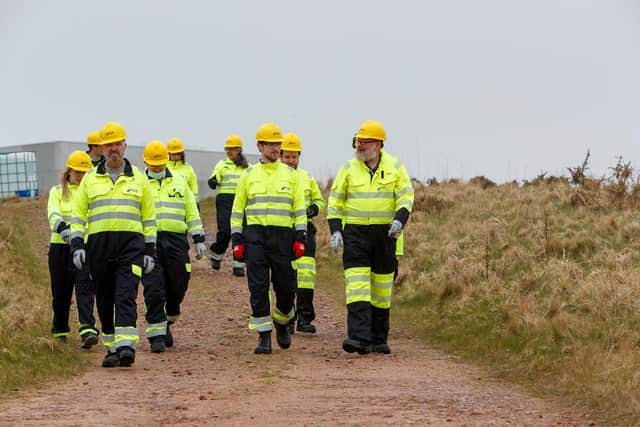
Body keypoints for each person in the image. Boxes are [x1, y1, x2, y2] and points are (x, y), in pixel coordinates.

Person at [70, 121, 156, 368]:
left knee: (126, 294)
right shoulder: (89, 181)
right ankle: (111, 347)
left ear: (125, 146)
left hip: (131, 246)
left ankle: (127, 345)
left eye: (117, 143)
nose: (113, 149)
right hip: (98, 247)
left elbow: (149, 218)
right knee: (105, 298)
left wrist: (150, 250)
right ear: (102, 149)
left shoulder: (140, 180)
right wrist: (77, 244)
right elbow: (78, 215)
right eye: (109, 145)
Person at [327, 120, 414, 355]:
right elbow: (335, 201)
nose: (360, 145)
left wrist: (400, 219)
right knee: (357, 287)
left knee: (382, 288)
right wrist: (335, 230)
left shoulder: (395, 167)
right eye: (359, 141)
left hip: (385, 235)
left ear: (378, 144)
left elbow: (406, 196)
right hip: (355, 233)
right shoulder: (348, 168)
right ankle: (358, 338)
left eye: (365, 141)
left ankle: (378, 338)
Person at [230, 123, 306, 354]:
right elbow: (237, 210)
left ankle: (283, 321)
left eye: (278, 144)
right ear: (260, 146)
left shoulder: (291, 175)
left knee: (286, 288)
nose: (275, 148)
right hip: (255, 237)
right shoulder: (248, 175)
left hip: (283, 237)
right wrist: (237, 239)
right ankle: (263, 337)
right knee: (258, 287)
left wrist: (300, 236)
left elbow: (299, 208)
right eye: (271, 144)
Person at [142, 140, 207, 352]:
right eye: (153, 164)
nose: (157, 168)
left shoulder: (179, 182)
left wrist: (198, 238)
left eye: (160, 163)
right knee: (153, 287)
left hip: (177, 241)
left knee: (179, 283)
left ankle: (168, 319)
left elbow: (191, 211)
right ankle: (156, 335)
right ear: (146, 162)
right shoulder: (139, 184)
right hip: (149, 243)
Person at [47, 150, 99, 348]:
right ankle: (59, 330)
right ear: (68, 172)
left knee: (85, 288)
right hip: (60, 248)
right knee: (61, 291)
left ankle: (87, 329)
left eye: (85, 172)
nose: (81, 176)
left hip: (84, 247)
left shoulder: (91, 193)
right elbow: (53, 213)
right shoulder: (57, 191)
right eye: (78, 172)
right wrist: (64, 230)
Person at [280, 132, 325, 334]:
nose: (291, 160)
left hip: (305, 230)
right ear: (280, 156)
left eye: (294, 156)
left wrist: (312, 210)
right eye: (287, 156)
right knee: (285, 277)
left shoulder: (306, 178)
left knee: (306, 276)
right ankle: (285, 318)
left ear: (299, 156)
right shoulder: (274, 177)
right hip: (282, 231)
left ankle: (304, 319)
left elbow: (319, 201)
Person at [207, 134, 250, 276]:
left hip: (242, 201)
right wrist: (213, 181)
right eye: (227, 149)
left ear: (239, 150)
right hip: (224, 200)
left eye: (232, 149)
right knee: (225, 231)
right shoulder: (221, 165)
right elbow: (214, 177)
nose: (229, 152)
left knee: (240, 232)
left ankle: (239, 264)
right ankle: (216, 254)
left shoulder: (247, 167)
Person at [167, 138, 200, 207]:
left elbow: (193, 186)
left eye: (178, 154)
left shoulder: (188, 169)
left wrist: (196, 202)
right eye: (173, 154)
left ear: (182, 154)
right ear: (169, 154)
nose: (176, 157)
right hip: (167, 203)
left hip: (184, 204)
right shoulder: (163, 168)